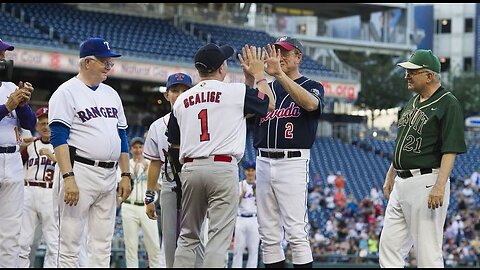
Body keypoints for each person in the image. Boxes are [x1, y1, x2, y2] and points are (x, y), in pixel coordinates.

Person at [166, 43, 275, 267]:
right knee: (217, 239)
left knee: (188, 237)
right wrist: (258, 75)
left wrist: (249, 82)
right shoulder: (234, 91)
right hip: (222, 167)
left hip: (191, 168)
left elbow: (174, 142)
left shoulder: (182, 100)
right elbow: (269, 104)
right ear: (222, 68)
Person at [48, 37, 131, 267]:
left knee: (102, 245)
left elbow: (122, 135)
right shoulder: (66, 92)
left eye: (109, 61)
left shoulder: (112, 94)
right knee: (69, 244)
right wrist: (68, 177)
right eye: (104, 61)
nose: (109, 65)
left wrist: (126, 174)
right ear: (86, 62)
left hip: (108, 175)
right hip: (80, 171)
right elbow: (58, 137)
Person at [379, 49, 467, 268]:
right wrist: (391, 174)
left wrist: (439, 186)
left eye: (412, 72)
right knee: (389, 246)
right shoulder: (412, 102)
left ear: (429, 76)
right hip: (401, 181)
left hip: (427, 182)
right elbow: (402, 142)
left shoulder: (448, 103)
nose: (407, 75)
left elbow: (451, 149)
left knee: (427, 253)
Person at [253, 36, 325, 268]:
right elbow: (247, 109)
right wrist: (254, 76)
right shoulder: (267, 87)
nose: (280, 56)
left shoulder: (312, 85)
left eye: (285, 52)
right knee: (268, 235)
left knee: (296, 232)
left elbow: (311, 105)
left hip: (292, 161)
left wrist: (280, 76)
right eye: (276, 51)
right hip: (263, 160)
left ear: (298, 57)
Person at [144, 72, 206, 267]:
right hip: (169, 182)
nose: (179, 94)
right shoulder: (156, 126)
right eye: (175, 90)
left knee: (196, 238)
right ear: (167, 95)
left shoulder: (200, 121)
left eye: (184, 91)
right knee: (170, 241)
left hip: (195, 181)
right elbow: (154, 163)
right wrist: (149, 196)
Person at [0, 38, 36, 268]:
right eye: (0, 54)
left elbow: (30, 123)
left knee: (11, 230)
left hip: (12, 159)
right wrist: (7, 107)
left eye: (3, 55)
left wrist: (22, 104)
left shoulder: (10, 87)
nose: (3, 58)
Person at [18, 107, 58, 267]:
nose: (46, 126)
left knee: (53, 242)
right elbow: (15, 164)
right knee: (23, 241)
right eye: (42, 123)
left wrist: (52, 157)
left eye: (49, 123)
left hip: (51, 193)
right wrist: (20, 147)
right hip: (29, 192)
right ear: (36, 126)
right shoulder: (29, 145)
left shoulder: (61, 146)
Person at [121, 137, 165, 268]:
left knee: (154, 246)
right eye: (135, 147)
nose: (138, 150)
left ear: (144, 148)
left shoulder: (151, 165)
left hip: (147, 207)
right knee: (131, 247)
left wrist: (148, 172)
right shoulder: (126, 165)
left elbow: (158, 187)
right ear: (131, 149)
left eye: (140, 147)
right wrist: (132, 176)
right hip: (129, 206)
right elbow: (121, 190)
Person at [232, 160, 260, 268]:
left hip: (254, 219)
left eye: (252, 170)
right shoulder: (240, 185)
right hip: (241, 219)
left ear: (255, 172)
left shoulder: (259, 185)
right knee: (237, 250)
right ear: (245, 172)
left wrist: (257, 194)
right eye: (248, 170)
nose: (250, 173)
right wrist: (241, 195)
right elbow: (234, 205)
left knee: (253, 251)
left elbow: (262, 205)